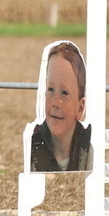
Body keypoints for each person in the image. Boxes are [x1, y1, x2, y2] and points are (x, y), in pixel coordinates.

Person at [30, 41, 92, 171]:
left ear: (80, 108)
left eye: (64, 93)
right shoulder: (34, 143)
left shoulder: (89, 149)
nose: (56, 103)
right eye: (51, 89)